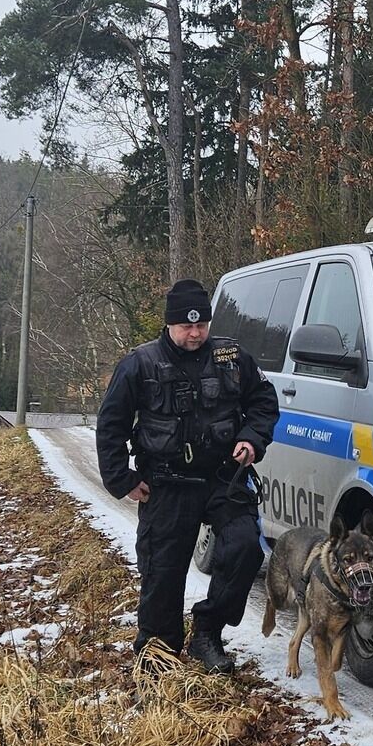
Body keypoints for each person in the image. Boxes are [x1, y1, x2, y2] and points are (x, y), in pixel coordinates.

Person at [96, 278, 279, 671]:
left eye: (201, 325)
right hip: (166, 482)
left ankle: (207, 633)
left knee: (245, 547)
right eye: (186, 326)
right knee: (163, 571)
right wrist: (123, 479)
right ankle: (158, 653)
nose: (195, 333)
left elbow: (264, 402)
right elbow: (110, 425)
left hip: (223, 477)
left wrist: (251, 439)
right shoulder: (140, 364)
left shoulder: (231, 357)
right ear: (169, 324)